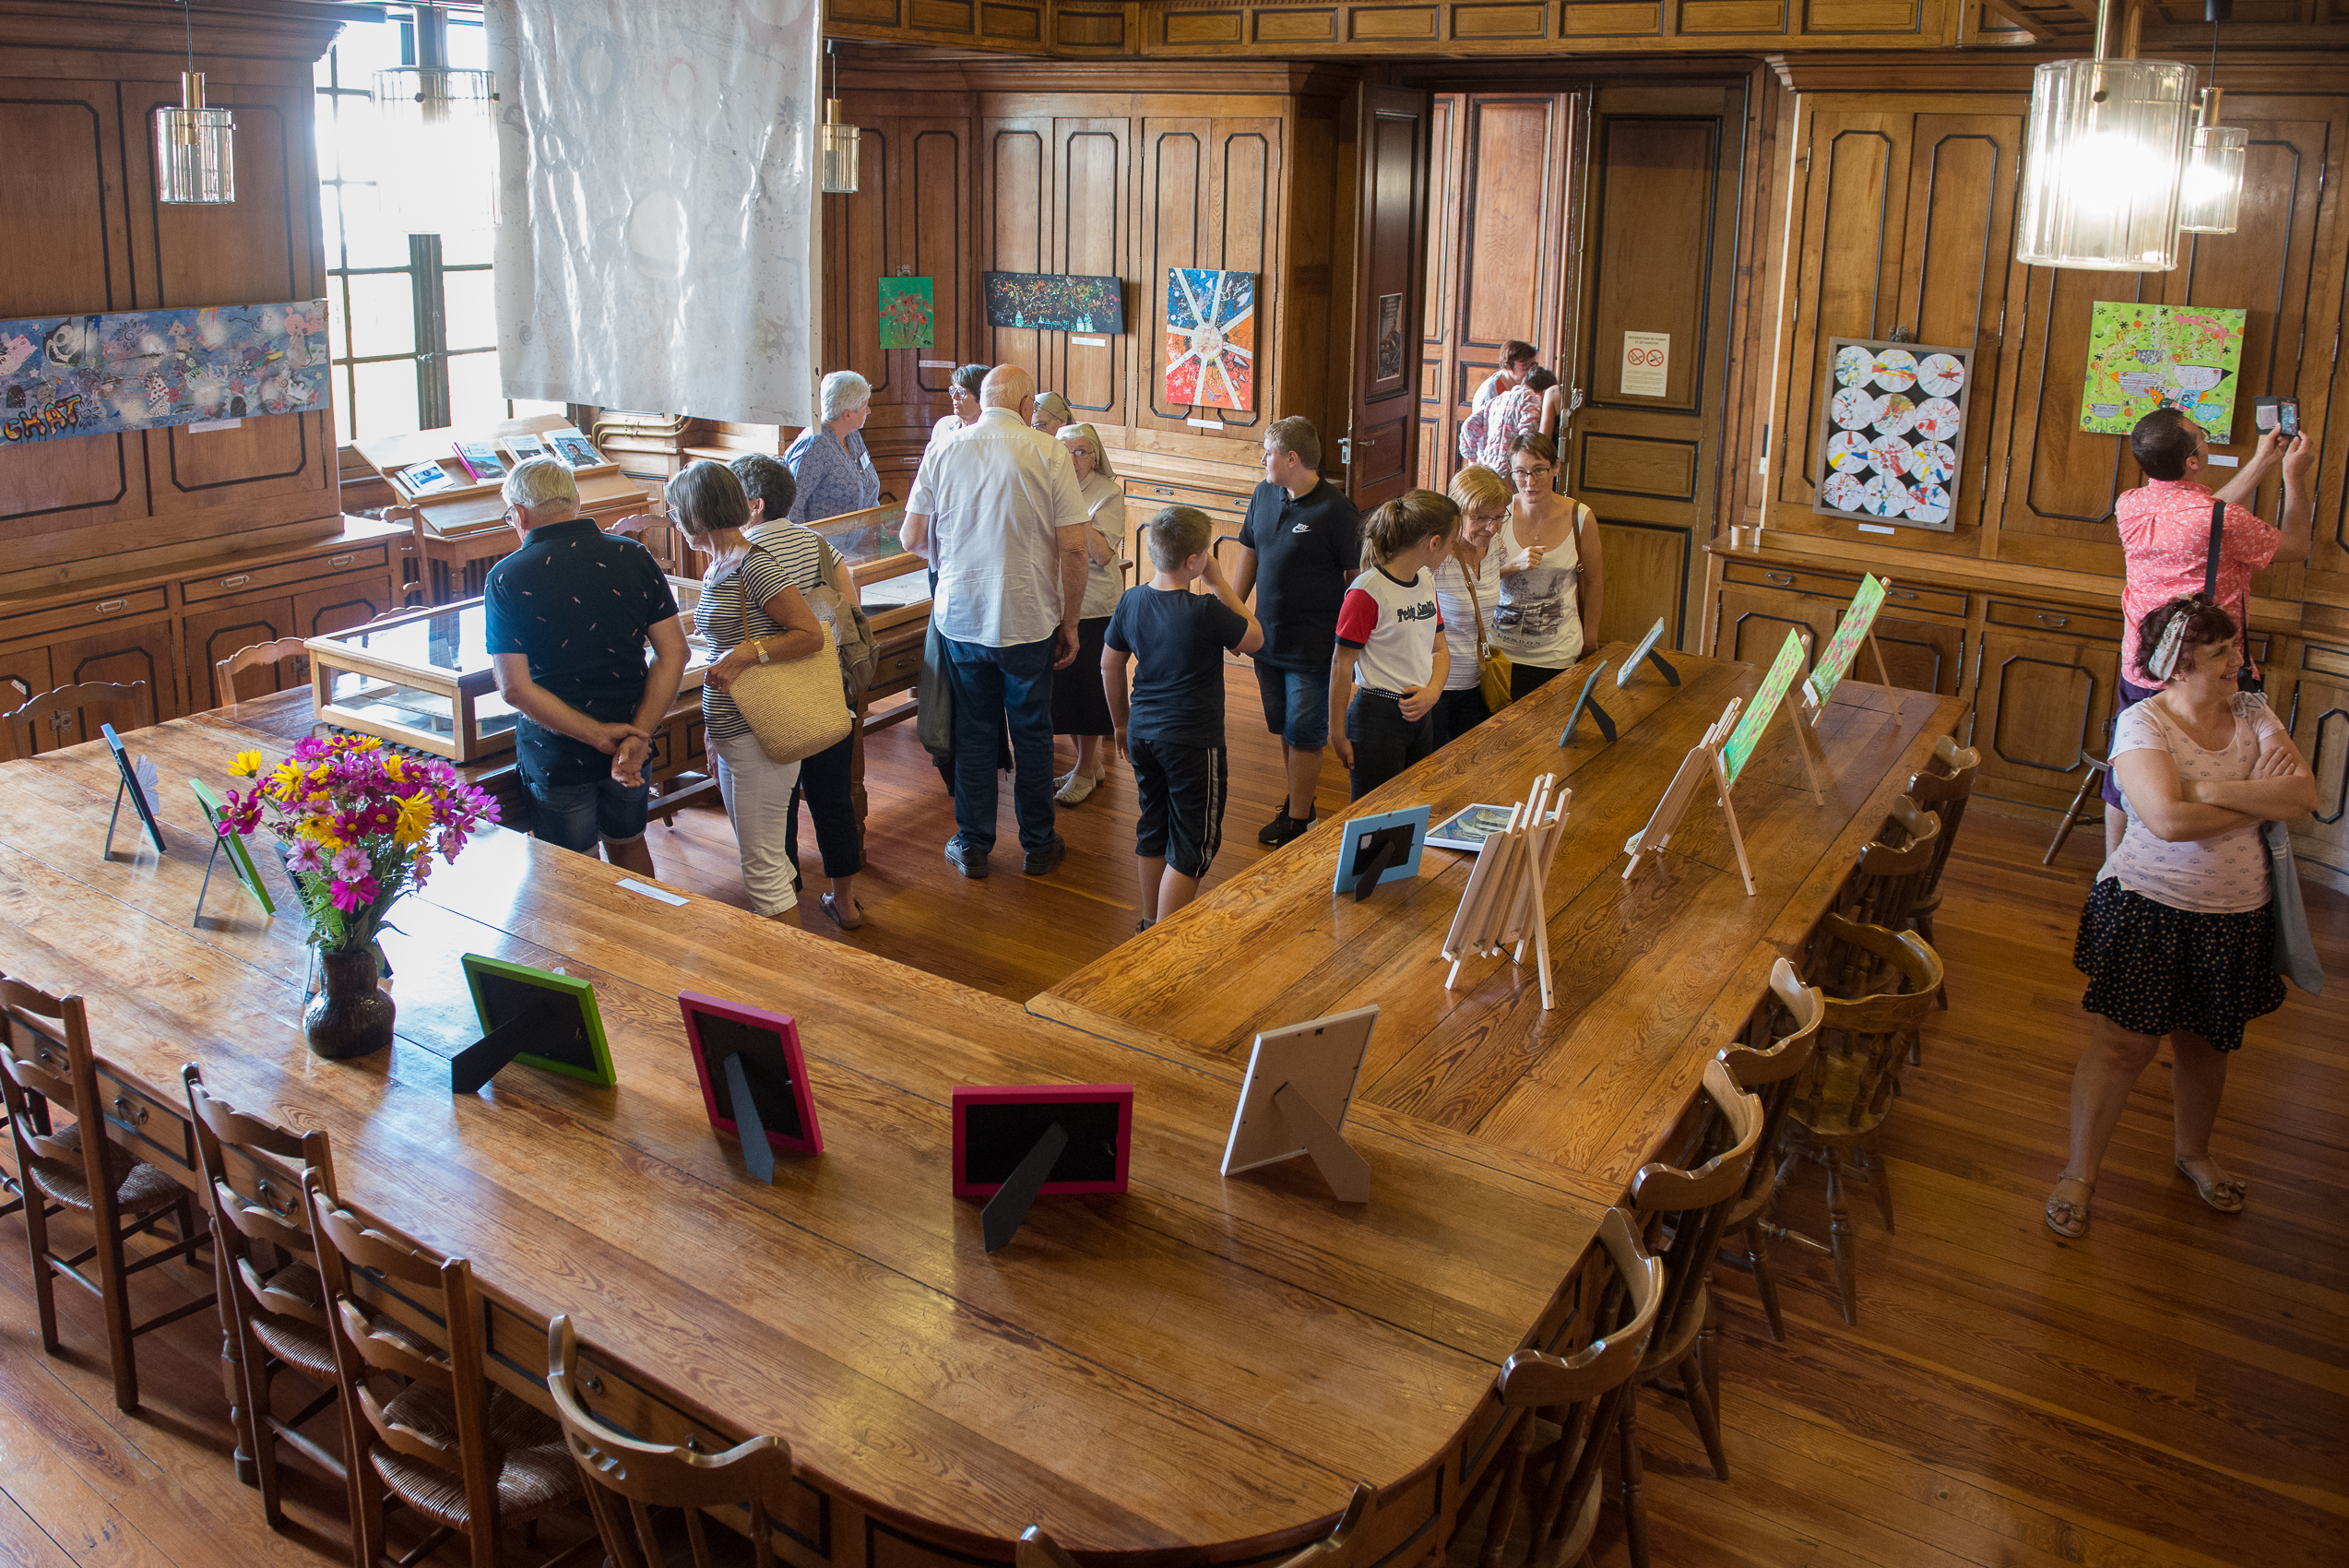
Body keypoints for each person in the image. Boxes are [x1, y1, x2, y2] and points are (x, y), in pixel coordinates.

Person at [2044, 594, 2317, 1239]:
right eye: (2219, 654)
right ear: (2176, 666)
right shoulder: (2142, 725)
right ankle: (2079, 1173)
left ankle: (2193, 1154)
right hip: (2148, 911)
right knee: (2123, 1045)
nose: (2237, 663)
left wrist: (2210, 791)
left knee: (2203, 1045)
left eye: (2233, 648)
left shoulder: (2253, 711)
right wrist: (2259, 800)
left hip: (2234, 917)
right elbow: (2165, 823)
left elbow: (2302, 795)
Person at [900, 364, 1089, 879]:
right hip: (1029, 618)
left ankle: (975, 843)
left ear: (983, 401)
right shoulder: (1048, 451)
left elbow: (911, 538)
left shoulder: (943, 448)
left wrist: (954, 562)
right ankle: (1038, 844)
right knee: (1032, 733)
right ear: (1027, 404)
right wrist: (1071, 623)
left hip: (961, 618)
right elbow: (1075, 547)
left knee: (975, 733)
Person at [2100, 410, 2314, 856]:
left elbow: (2203, 514)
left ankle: (2115, 866)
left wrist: (2263, 461)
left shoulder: (2130, 504)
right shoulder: (2223, 519)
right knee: (2228, 775)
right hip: (2207, 671)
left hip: (2144, 665)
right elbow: (2296, 547)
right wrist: (2293, 477)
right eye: (2202, 436)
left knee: (2128, 771)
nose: (2206, 438)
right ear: (2194, 460)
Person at [484, 458, 685, 876]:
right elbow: (675, 654)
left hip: (558, 750)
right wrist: (639, 736)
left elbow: (515, 689)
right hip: (633, 739)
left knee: (577, 872)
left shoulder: (507, 576)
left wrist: (596, 737)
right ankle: (646, 941)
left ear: (519, 515)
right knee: (630, 846)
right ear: (576, 502)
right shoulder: (632, 555)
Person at [659, 461, 827, 923]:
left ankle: (783, 982)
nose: (674, 520)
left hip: (761, 732)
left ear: (698, 512)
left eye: (677, 512)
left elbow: (809, 634)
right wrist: (714, 735)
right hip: (734, 731)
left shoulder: (753, 565)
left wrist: (748, 653)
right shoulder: (719, 564)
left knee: (763, 867)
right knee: (762, 856)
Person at [1103, 506, 1263, 932]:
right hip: (1193, 741)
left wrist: (1120, 723)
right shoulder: (1205, 610)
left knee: (1153, 826)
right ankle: (1165, 941)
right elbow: (1256, 638)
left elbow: (1109, 665)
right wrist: (1218, 581)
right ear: (1194, 561)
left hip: (1142, 734)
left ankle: (1149, 922)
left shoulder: (1131, 599)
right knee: (1194, 844)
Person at [732, 453, 867, 931]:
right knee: (833, 798)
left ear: (753, 505)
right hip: (824, 689)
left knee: (778, 805)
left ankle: (784, 896)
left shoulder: (744, 554)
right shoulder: (818, 545)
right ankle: (845, 901)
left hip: (771, 700)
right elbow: (850, 611)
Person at [1235, 416, 1362, 849]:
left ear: (1292, 458)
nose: (1262, 460)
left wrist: (1352, 639)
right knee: (1285, 728)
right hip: (1267, 639)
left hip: (1314, 644)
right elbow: (1249, 551)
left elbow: (1355, 576)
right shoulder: (1264, 494)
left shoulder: (1337, 511)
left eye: (1267, 453)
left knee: (1306, 731)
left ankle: (1297, 821)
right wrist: (1236, 612)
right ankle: (1300, 804)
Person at [1329, 490, 1457, 800]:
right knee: (1374, 818)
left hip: (1421, 713)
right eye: (1452, 544)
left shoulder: (1426, 579)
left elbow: (1439, 648)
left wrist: (1432, 693)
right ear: (1434, 543)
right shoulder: (1367, 591)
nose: (1451, 552)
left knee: (1411, 810)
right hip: (1377, 719)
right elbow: (1341, 664)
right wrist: (1336, 733)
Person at [1492, 433, 1603, 698]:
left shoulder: (1580, 517)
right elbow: (1475, 577)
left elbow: (1594, 581)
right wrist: (1512, 566)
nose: (1529, 482)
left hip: (1557, 654)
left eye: (1539, 471)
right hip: (1500, 652)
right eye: (1520, 472)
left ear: (1556, 468)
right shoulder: (1499, 514)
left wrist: (1590, 639)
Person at [1051, 422, 1128, 805]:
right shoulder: (1048, 485)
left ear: (1094, 457)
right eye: (1065, 451)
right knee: (1066, 691)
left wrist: (1072, 509)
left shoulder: (1108, 493)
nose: (1073, 459)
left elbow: (1102, 554)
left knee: (1089, 691)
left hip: (1096, 606)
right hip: (1059, 601)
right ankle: (1088, 764)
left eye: (1081, 451)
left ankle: (1085, 768)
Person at [1430, 464, 1509, 744]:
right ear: (1457, 512)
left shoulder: (1495, 546)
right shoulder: (1436, 557)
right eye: (1481, 517)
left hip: (1476, 682)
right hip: (1436, 688)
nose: (1492, 527)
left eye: (1499, 516)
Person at [784, 371, 882, 525]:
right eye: (864, 407)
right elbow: (792, 507)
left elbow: (868, 487)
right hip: (822, 545)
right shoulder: (814, 446)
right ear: (847, 414)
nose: (868, 411)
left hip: (856, 543)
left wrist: (878, 530)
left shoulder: (852, 434)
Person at [1457, 366, 1560, 470]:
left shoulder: (1496, 400)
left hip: (1488, 470)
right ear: (1544, 392)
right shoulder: (1531, 399)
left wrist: (1473, 460)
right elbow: (1528, 438)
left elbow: (1468, 425)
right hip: (1511, 471)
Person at [1469, 340, 1540, 412]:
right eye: (1525, 365)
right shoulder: (1490, 390)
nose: (1530, 369)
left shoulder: (1528, 384)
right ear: (1508, 365)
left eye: (1533, 364)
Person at [929, 363, 989, 446]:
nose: (954, 396)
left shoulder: (991, 433)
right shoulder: (943, 425)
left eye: (961, 392)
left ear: (981, 397)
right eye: (953, 390)